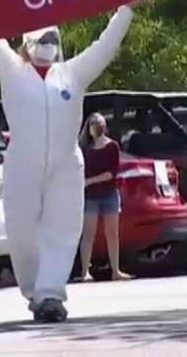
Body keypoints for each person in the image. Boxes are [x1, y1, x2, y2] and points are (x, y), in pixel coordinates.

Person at [0, 0, 142, 322]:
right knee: (22, 231)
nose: (48, 43)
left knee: (63, 228)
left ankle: (50, 295)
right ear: (27, 43)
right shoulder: (11, 70)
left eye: (52, 37)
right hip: (22, 163)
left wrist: (127, 8)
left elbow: (104, 46)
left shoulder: (73, 73)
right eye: (41, 37)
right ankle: (33, 288)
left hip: (65, 163)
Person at [77, 112, 131, 282]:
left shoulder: (112, 146)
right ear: (88, 127)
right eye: (93, 123)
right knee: (89, 233)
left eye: (99, 122)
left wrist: (89, 181)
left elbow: (111, 173)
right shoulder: (85, 149)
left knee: (112, 233)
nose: (96, 125)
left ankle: (116, 270)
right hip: (90, 196)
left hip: (109, 194)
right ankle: (85, 271)